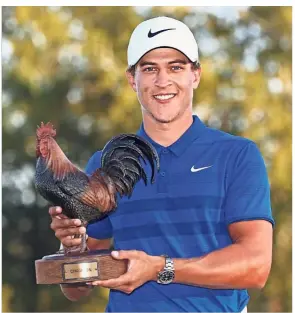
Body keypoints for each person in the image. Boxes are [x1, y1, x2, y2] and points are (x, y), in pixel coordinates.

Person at [49, 16, 274, 312]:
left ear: (196, 75)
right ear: (133, 79)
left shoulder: (237, 155)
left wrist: (160, 268)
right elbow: (77, 289)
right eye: (150, 68)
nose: (163, 81)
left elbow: (256, 266)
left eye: (176, 67)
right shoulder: (105, 164)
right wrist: (72, 246)